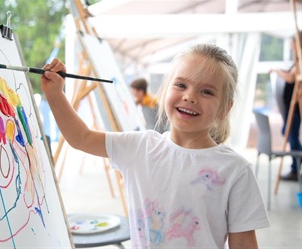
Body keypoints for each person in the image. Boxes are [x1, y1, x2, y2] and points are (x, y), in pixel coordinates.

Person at [41, 44, 270, 248]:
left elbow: (244, 244)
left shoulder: (235, 170)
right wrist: (55, 95)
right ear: (164, 91)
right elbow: (81, 138)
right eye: (181, 85)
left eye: (207, 91)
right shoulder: (139, 146)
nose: (190, 96)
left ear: (225, 108)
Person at [269, 35, 302, 181]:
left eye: (292, 44)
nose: (290, 47)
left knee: (291, 135)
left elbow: (291, 78)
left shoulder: (301, 60)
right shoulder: (296, 61)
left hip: (296, 107)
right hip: (290, 108)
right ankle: (296, 165)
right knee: (288, 133)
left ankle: (296, 167)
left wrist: (277, 71)